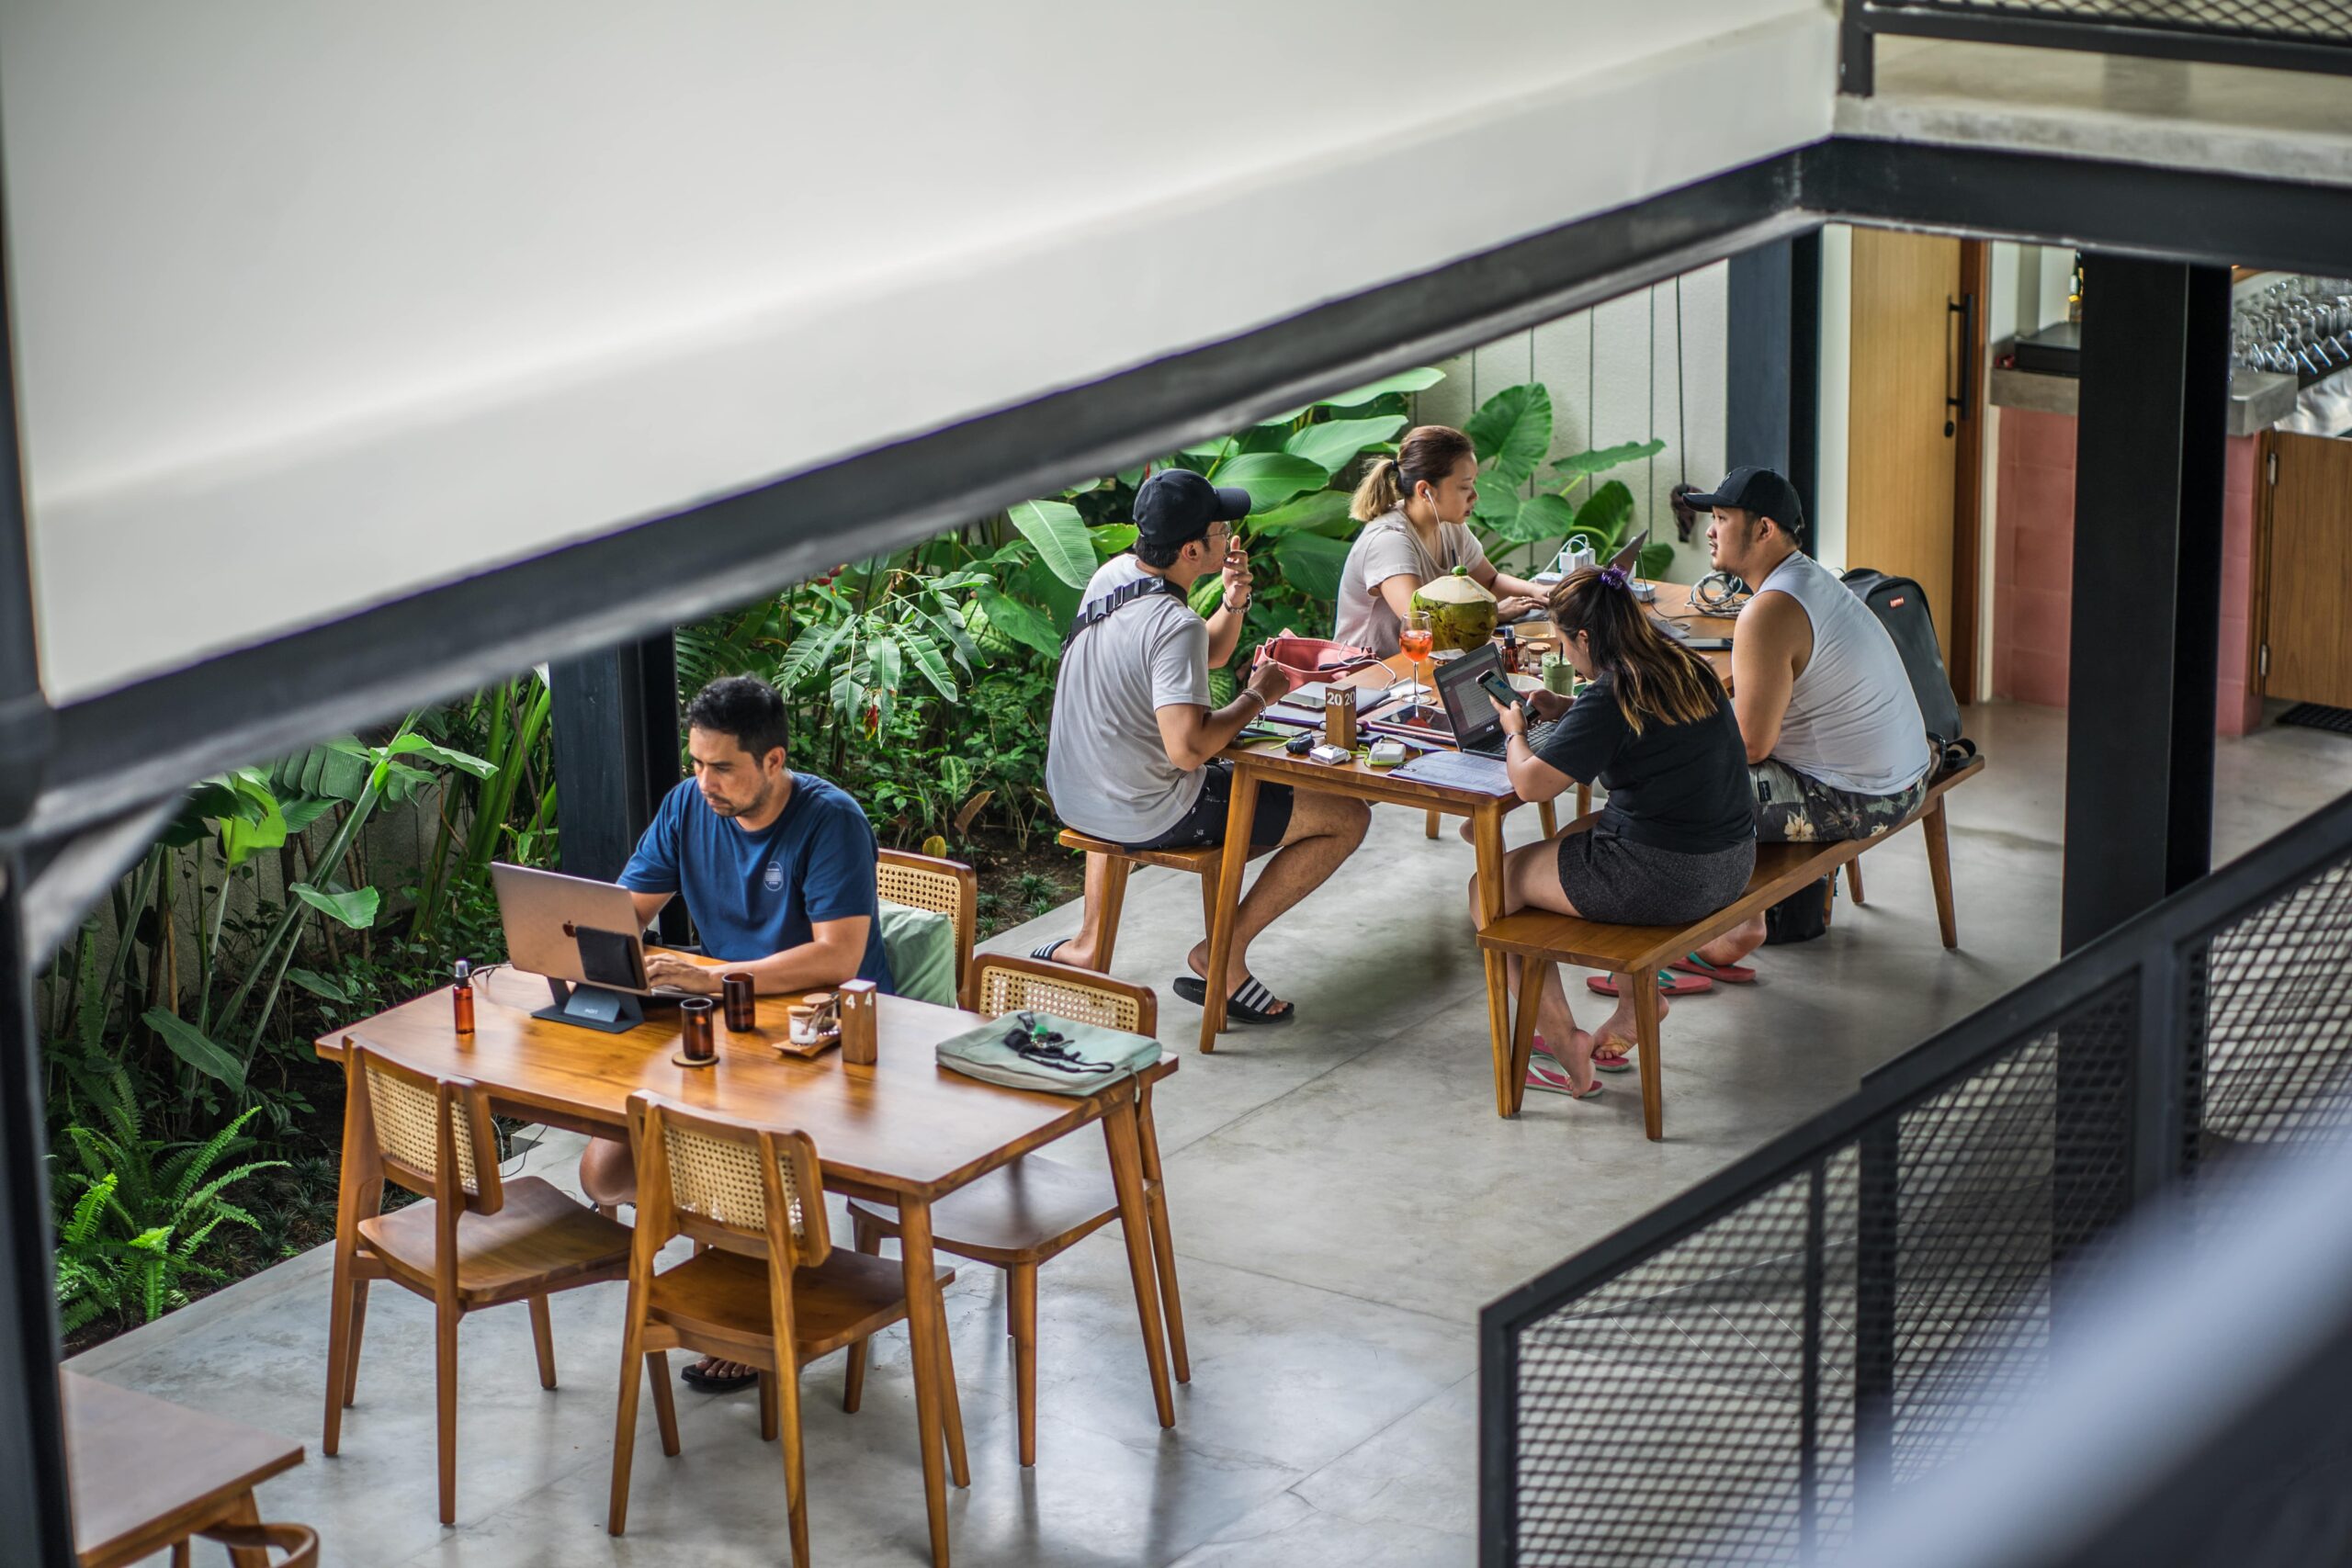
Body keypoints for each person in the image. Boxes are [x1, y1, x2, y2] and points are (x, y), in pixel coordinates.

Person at [578, 673, 890, 1389]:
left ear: (773, 761)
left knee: (714, 1144)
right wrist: (576, 937)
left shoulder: (830, 819)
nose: (704, 781)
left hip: (827, 1035)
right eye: (697, 761)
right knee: (605, 1169)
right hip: (727, 1027)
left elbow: (837, 955)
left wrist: (710, 977)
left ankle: (749, 1297)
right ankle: (729, 1265)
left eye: (722, 766)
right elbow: (629, 905)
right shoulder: (687, 806)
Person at [1040, 468, 1370, 1024]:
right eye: (1220, 529)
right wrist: (1258, 695)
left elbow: (1202, 659)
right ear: (1192, 548)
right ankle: (1222, 956)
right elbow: (1189, 751)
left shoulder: (1114, 576)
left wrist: (1234, 602)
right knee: (1346, 815)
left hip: (1076, 791)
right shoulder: (1173, 624)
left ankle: (1087, 945)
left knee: (1241, 783)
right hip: (1148, 809)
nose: (1229, 536)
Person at [1469, 566, 1757, 1098]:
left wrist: (1514, 732)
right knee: (1581, 829)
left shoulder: (1612, 694)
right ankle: (1634, 1003)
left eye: (1563, 642)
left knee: (1489, 885)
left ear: (1583, 637)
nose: (1565, 655)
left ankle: (1563, 1043)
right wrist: (1569, 710)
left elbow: (1532, 785)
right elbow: (1639, 730)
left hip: (1670, 879)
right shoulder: (1681, 664)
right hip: (1732, 863)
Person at [1681, 467, 1933, 979]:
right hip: (1903, 775)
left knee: (1676, 786)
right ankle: (1738, 912)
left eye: (1722, 518)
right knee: (1696, 752)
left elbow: (1750, 745)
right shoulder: (1809, 578)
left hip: (1858, 798)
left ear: (1764, 529)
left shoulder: (1770, 610)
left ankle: (1727, 925)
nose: (1710, 529)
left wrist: (1667, 727)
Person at [1332, 423, 1550, 656]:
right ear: (1425, 490)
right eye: (1465, 486)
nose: (1475, 496)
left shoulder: (1449, 525)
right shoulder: (1390, 543)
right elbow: (1421, 627)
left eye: (1473, 484)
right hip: (1369, 676)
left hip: (1424, 667)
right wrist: (1495, 613)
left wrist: (1539, 592)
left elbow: (1490, 582)